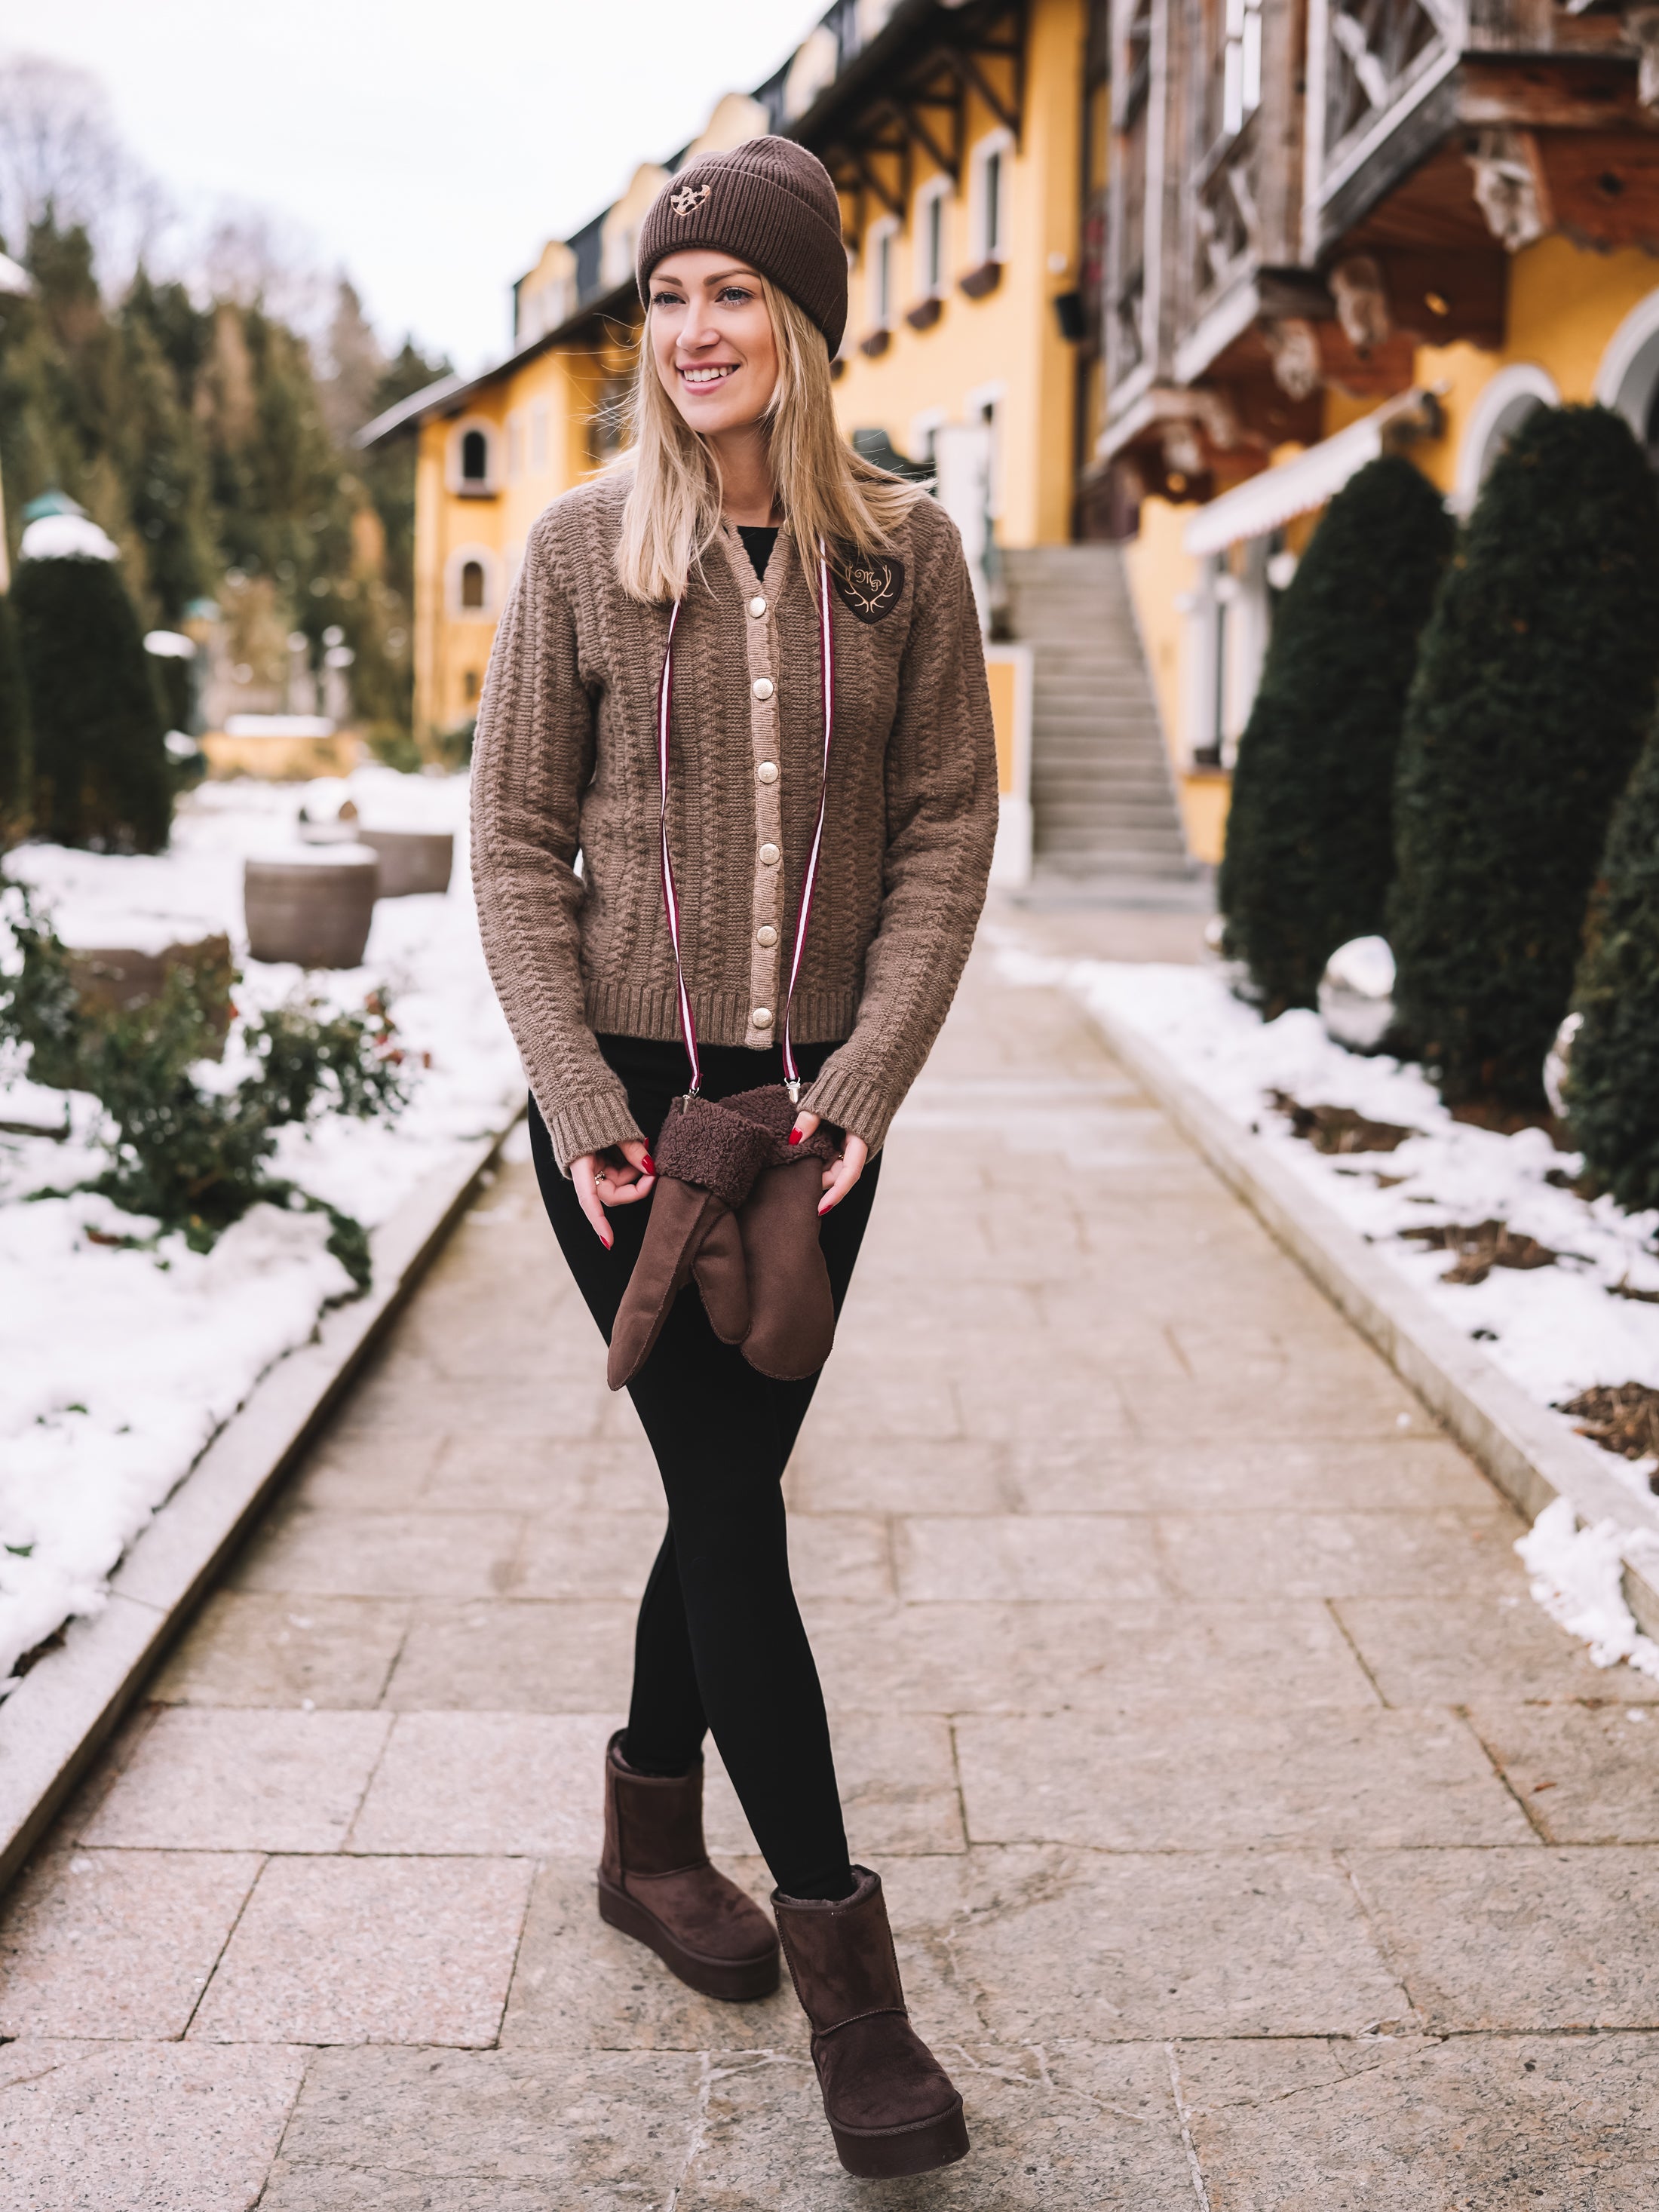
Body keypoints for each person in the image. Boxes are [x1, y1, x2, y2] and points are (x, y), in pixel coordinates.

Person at [471, 135, 997, 2181]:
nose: (693, 332)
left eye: (733, 296)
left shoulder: (906, 557)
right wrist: (581, 1109)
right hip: (626, 1115)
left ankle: (644, 1831)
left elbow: (945, 825)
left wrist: (867, 1085)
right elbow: (517, 847)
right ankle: (857, 1998)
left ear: (803, 326)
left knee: (725, 1489)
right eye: (668, 300)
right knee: (728, 1498)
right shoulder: (577, 552)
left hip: (809, 1124)